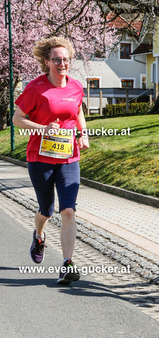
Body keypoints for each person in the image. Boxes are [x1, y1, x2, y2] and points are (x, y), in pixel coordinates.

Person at [13, 36, 89, 285]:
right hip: (40, 157)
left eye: (65, 59)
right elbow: (17, 118)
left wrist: (83, 133)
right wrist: (42, 128)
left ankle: (67, 264)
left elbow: (78, 110)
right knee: (46, 210)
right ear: (46, 62)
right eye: (56, 60)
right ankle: (39, 235)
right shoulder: (36, 88)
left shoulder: (75, 86)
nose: (62, 64)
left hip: (68, 157)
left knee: (68, 210)